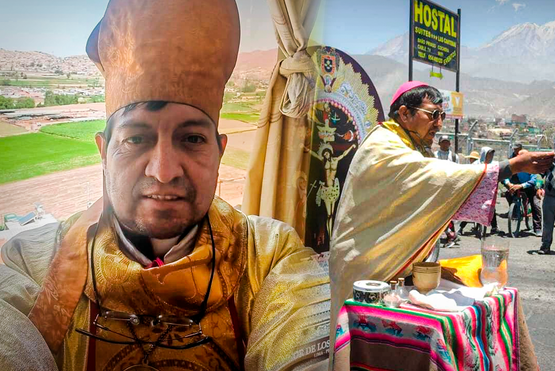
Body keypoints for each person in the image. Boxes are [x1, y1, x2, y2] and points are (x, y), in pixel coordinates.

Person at [0, 1, 329, 370]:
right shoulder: (31, 262)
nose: (164, 171)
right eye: (136, 139)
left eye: (191, 139)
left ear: (220, 152)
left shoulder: (269, 256)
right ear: (103, 151)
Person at [327, 81, 554, 359]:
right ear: (404, 113)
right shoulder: (383, 145)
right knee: (363, 352)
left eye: (442, 117)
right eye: (432, 115)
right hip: (367, 267)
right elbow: (439, 177)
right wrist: (512, 166)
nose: (438, 124)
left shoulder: (409, 145)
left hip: (391, 266)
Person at [503, 146, 543, 236]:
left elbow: (533, 180)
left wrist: (521, 185)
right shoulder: (514, 165)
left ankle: (537, 228)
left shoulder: (533, 165)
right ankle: (514, 210)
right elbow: (505, 176)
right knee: (508, 194)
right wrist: (509, 184)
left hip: (529, 186)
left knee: (535, 204)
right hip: (517, 184)